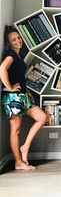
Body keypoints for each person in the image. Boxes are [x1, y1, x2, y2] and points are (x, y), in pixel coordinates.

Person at [0, 26, 48, 170]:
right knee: (16, 130)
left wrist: (26, 92)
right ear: (9, 43)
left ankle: (25, 146)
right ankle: (19, 162)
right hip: (13, 97)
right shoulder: (11, 54)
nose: (18, 41)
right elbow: (2, 69)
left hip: (23, 96)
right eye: (14, 40)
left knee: (42, 117)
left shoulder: (18, 55)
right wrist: (9, 88)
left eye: (18, 38)